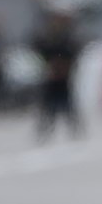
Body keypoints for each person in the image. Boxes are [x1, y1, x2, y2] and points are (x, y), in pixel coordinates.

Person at [32, 8, 84, 140]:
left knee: (67, 105)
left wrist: (66, 66)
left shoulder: (68, 37)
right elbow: (40, 49)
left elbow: (74, 52)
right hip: (52, 75)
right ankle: (44, 130)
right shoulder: (49, 37)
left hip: (64, 76)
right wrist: (50, 65)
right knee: (49, 106)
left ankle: (75, 129)